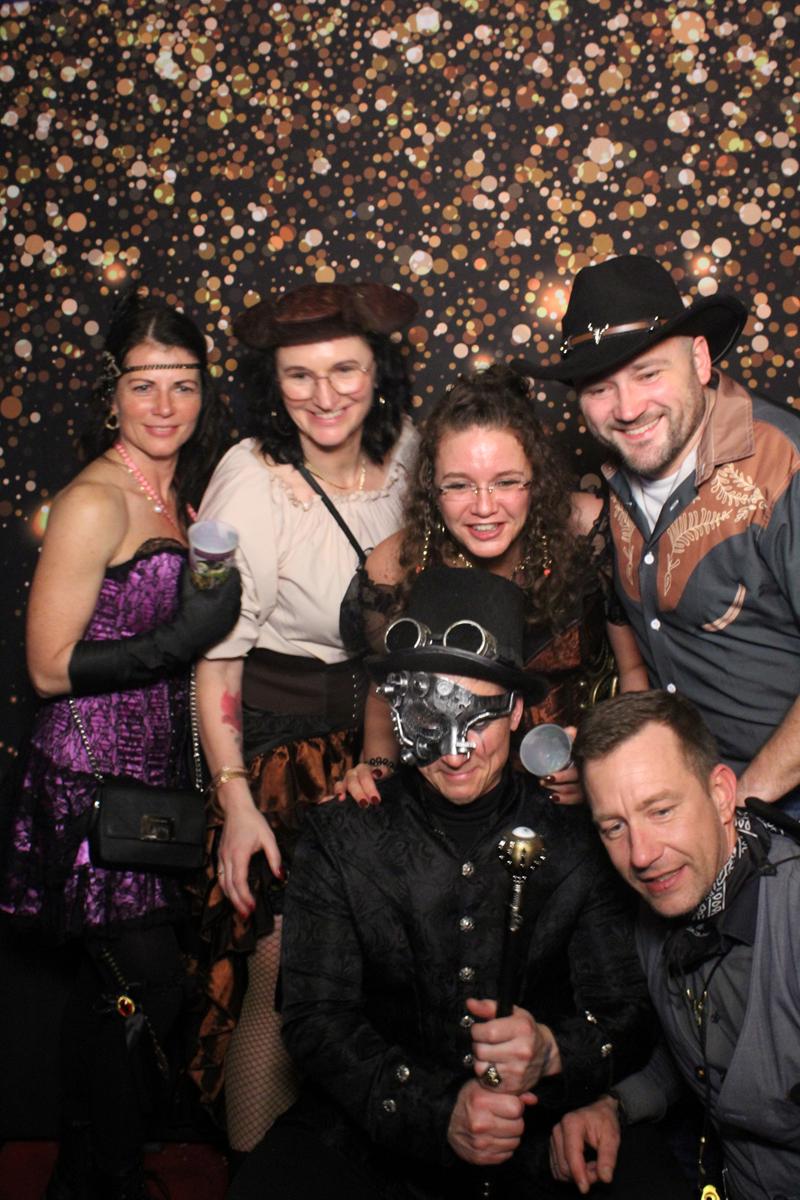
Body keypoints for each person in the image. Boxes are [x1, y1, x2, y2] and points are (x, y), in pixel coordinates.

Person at [229, 566, 694, 1200]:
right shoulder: (341, 836)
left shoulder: (576, 839)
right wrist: (434, 1109)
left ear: (518, 711)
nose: (454, 752)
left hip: (541, 1129)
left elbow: (627, 1014)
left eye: (477, 719)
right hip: (374, 1136)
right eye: (430, 716)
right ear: (399, 709)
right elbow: (315, 1019)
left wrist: (556, 1052)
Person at [0, 292, 240, 1199]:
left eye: (184, 384)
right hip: (89, 775)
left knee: (120, 994)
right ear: (113, 396)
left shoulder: (176, 497)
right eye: (144, 385)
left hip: (149, 781)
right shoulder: (94, 500)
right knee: (148, 987)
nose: (165, 405)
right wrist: (179, 641)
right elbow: (47, 666)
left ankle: (85, 1171)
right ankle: (102, 1175)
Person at [190, 280, 420, 1158]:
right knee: (284, 972)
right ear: (272, 382)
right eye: (299, 375)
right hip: (279, 754)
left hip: (388, 739)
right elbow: (217, 658)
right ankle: (254, 1175)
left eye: (345, 370)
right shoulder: (255, 481)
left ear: (378, 370)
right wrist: (237, 802)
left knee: (383, 981)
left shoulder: (409, 456)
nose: (325, 396)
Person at [518, 253, 800, 814]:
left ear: (699, 359)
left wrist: (739, 812)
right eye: (599, 388)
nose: (628, 409)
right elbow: (644, 671)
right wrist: (609, 763)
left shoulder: (783, 466)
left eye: (648, 374)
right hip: (691, 790)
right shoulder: (620, 481)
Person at [339, 363, 648, 806]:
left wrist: (604, 761)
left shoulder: (591, 532)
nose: (484, 508)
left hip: (579, 783)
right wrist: (376, 771)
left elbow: (635, 672)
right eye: (459, 485)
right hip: (453, 783)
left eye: (505, 482)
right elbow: (384, 687)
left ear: (536, 479)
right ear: (431, 488)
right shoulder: (397, 565)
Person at [550, 689, 800, 1199]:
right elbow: (702, 1052)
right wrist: (615, 1106)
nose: (641, 855)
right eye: (614, 827)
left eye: (661, 810)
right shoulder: (657, 911)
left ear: (722, 794)